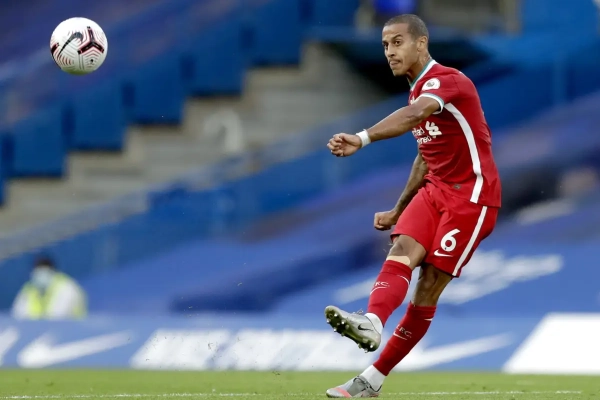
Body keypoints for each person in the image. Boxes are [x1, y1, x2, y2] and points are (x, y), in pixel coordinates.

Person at [324, 14, 501, 398]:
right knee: (401, 249)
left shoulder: (447, 81)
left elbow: (415, 115)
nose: (390, 51)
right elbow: (425, 157)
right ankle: (372, 321)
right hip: (435, 190)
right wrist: (398, 209)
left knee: (427, 287)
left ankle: (372, 380)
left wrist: (362, 138)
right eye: (385, 45)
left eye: (398, 42)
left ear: (421, 43)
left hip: (472, 198)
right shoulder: (418, 91)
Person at [11, 256, 87, 320]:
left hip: (72, 331)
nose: (40, 276)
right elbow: (18, 316)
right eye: (37, 272)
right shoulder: (29, 289)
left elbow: (58, 316)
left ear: (53, 271)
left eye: (44, 271)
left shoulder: (66, 287)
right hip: (38, 330)